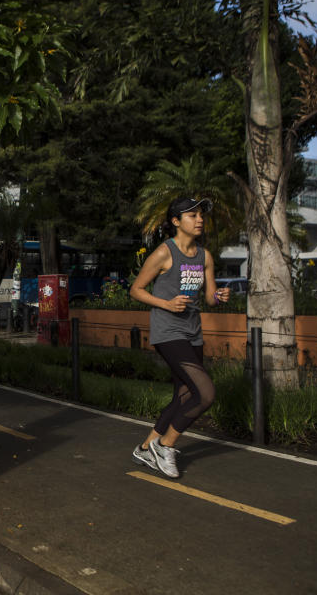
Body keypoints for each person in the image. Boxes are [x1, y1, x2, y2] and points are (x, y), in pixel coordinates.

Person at [129, 197, 230, 479]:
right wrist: (166, 303)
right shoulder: (164, 253)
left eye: (201, 215)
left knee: (183, 395)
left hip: (192, 332)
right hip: (168, 331)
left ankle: (145, 447)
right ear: (176, 221)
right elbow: (136, 289)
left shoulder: (204, 256)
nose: (199, 220)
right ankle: (165, 446)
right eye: (192, 215)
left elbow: (208, 299)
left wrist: (218, 296)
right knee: (205, 393)